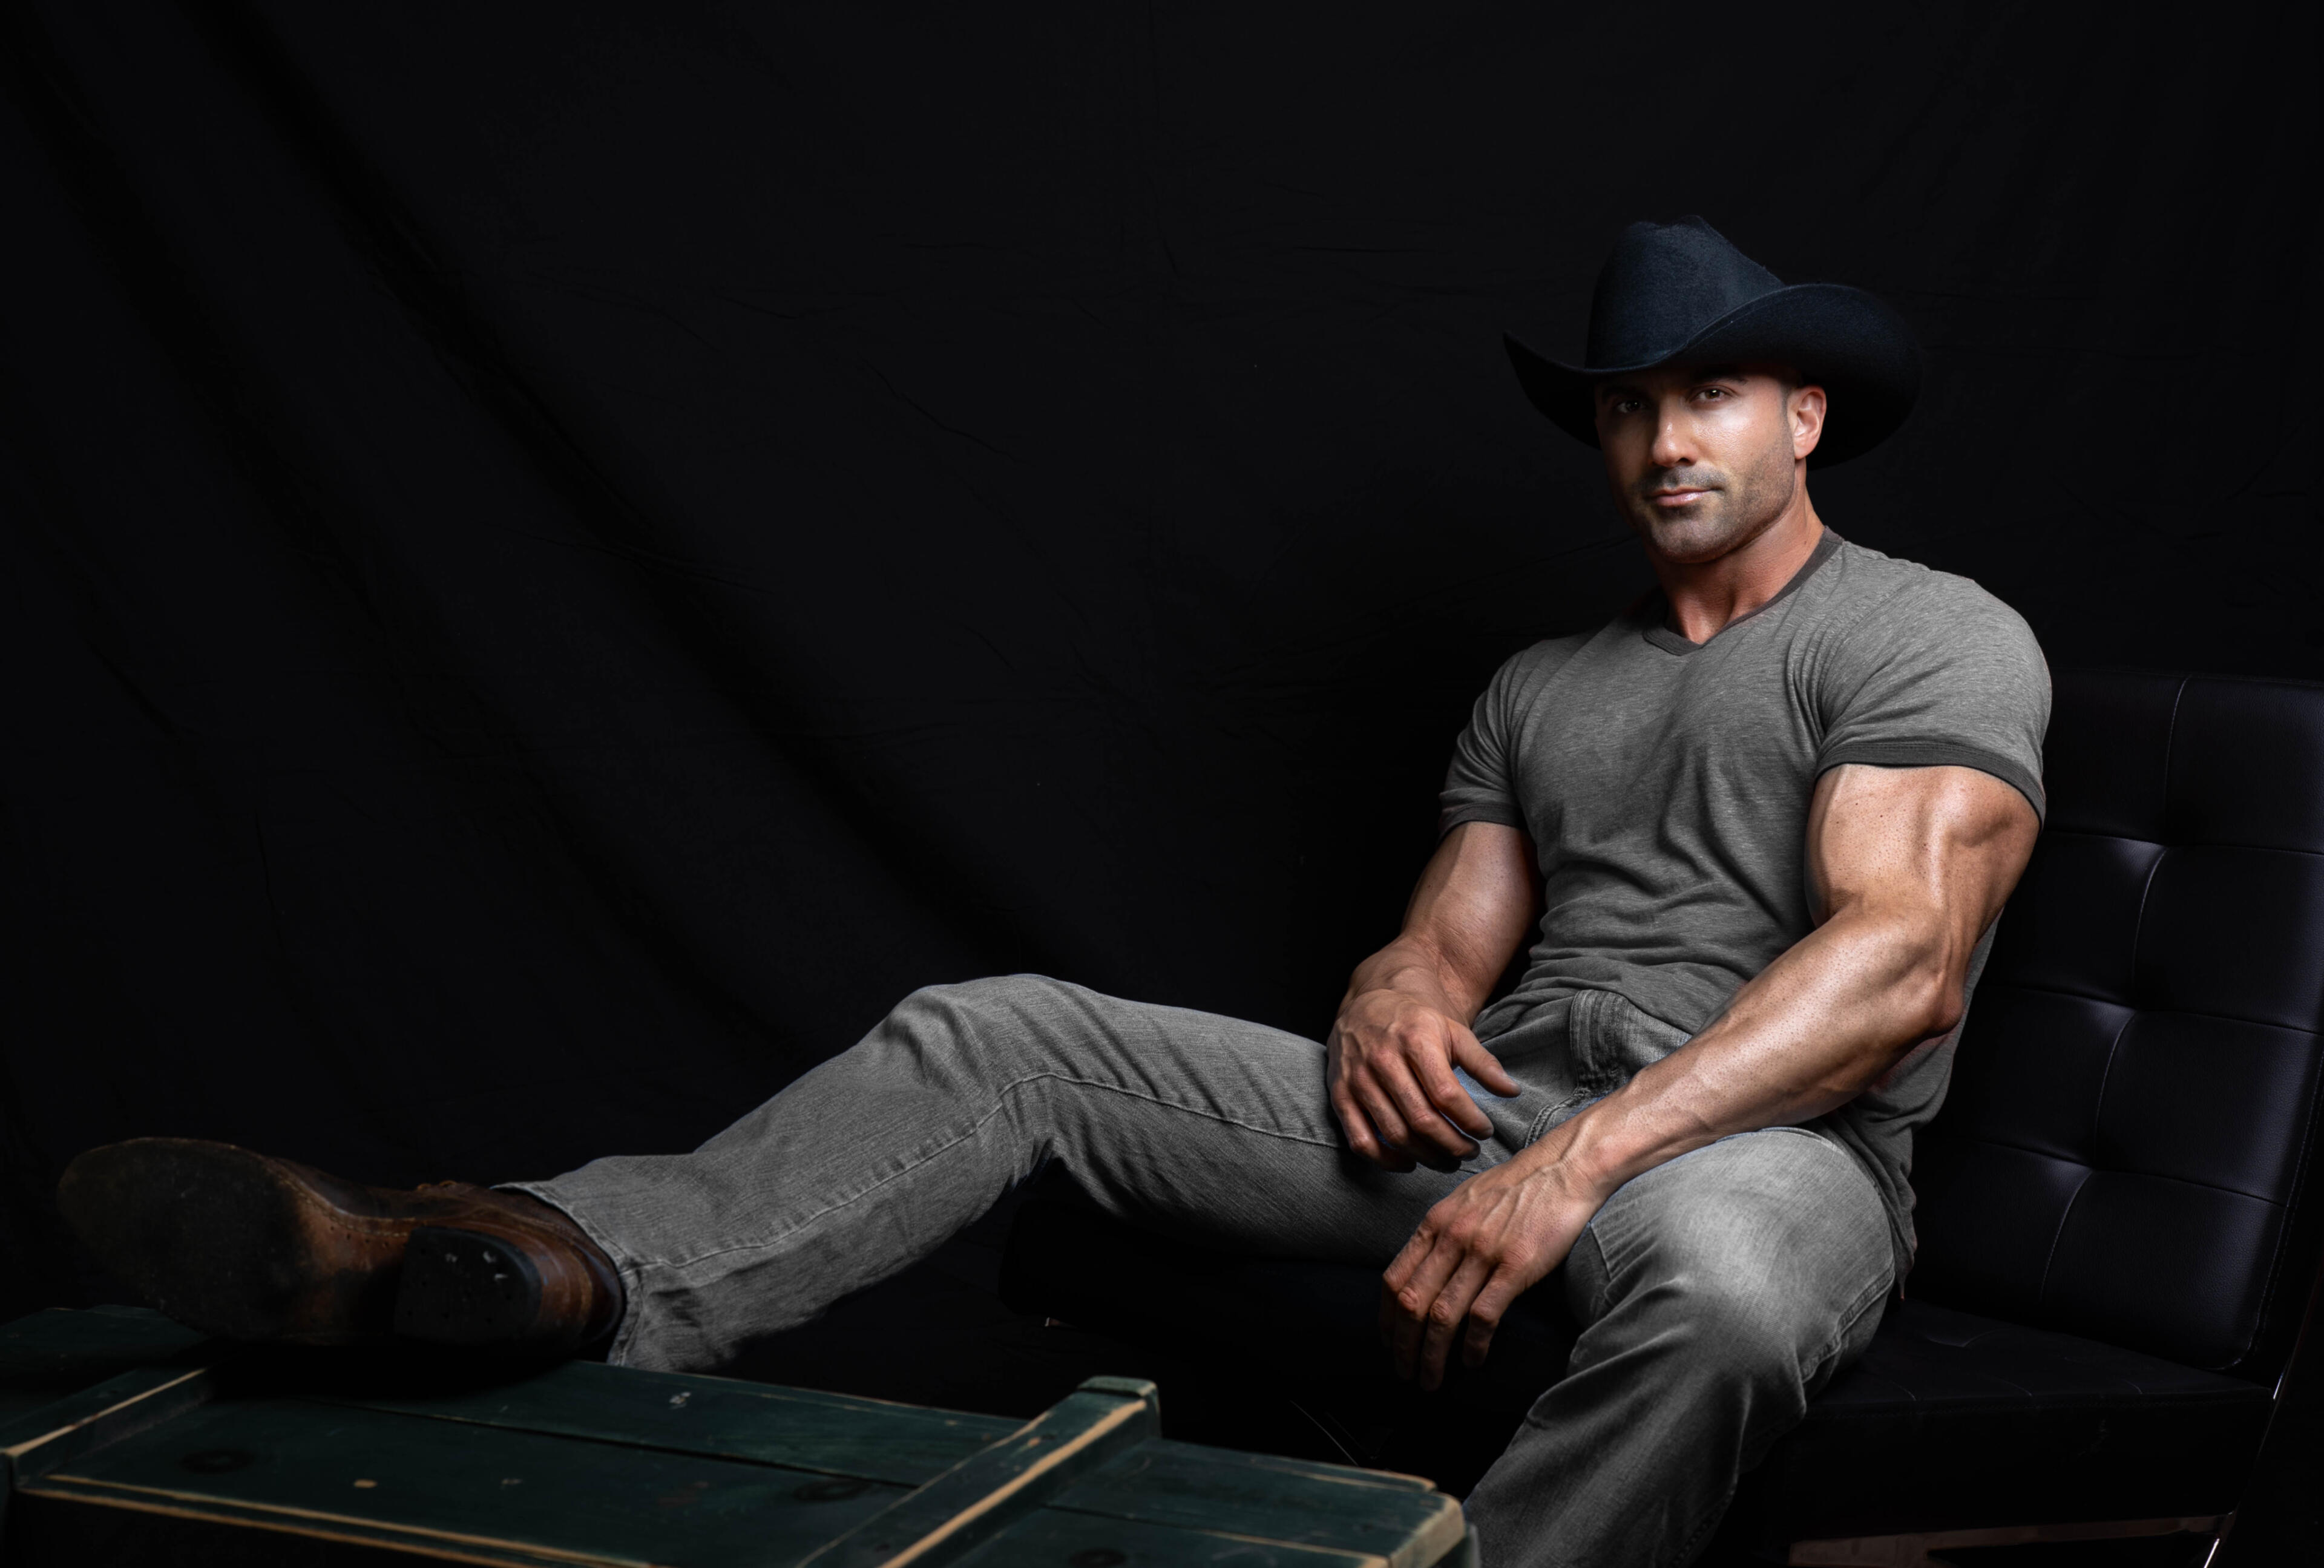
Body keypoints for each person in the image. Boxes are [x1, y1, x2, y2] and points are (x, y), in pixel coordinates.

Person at [59, 217, 2047, 1568]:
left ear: (1801, 417)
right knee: (1002, 1034)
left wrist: (1574, 1167)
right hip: (1498, 1111)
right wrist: (1382, 1002)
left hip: (1755, 1144)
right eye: (1625, 404)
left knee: (1723, 1301)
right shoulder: (1545, 683)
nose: (1659, 437)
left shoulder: (1928, 638)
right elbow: (1447, 939)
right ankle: (555, 1272)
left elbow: (1900, 969)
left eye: (1705, 396)